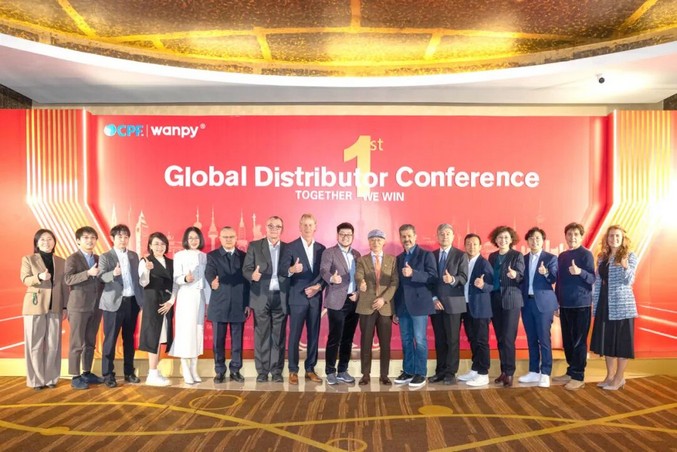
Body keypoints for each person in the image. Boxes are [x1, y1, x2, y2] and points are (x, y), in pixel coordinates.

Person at [20, 229, 69, 390]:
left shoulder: (61, 261)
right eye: (42, 239)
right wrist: (39, 277)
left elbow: (64, 286)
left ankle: (51, 379)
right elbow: (25, 279)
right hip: (35, 306)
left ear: (54, 242)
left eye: (49, 239)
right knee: (34, 344)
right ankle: (36, 380)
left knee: (53, 344)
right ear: (36, 243)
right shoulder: (28, 259)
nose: (46, 242)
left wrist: (65, 306)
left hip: (55, 306)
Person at [590, 225, 638, 391]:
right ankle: (610, 376)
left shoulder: (629, 256)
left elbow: (629, 280)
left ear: (623, 238)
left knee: (622, 343)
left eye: (617, 236)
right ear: (607, 238)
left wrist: (625, 267)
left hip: (622, 306)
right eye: (611, 236)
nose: (614, 239)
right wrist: (595, 305)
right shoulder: (602, 257)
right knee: (607, 341)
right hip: (604, 304)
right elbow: (598, 282)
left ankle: (619, 378)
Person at [281, 214, 326, 385]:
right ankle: (293, 370)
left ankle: (310, 369)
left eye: (310, 225)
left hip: (315, 298)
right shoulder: (290, 247)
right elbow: (282, 271)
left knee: (314, 334)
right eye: (304, 225)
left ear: (315, 227)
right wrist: (292, 269)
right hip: (297, 297)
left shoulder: (321, 249)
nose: (307, 228)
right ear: (299, 226)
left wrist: (318, 287)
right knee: (294, 335)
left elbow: (325, 273)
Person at [243, 216, 289, 383]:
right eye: (271, 226)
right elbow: (246, 269)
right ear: (265, 227)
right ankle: (262, 371)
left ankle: (276, 371)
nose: (274, 229)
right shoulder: (255, 246)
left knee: (278, 336)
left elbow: (291, 271)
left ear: (282, 229)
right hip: (261, 296)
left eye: (278, 226)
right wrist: (252, 275)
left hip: (281, 296)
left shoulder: (288, 248)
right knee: (262, 335)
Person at [98, 224, 145, 388]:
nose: (123, 240)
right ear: (112, 238)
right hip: (113, 303)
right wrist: (113, 274)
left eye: (126, 237)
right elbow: (100, 277)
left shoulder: (133, 256)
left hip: (132, 302)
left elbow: (138, 279)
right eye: (119, 237)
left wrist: (141, 301)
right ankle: (108, 374)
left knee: (129, 339)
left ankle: (129, 372)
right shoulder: (105, 256)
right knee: (110, 339)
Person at [393, 224, 437, 388]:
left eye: (409, 236)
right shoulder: (398, 258)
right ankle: (408, 371)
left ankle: (420, 373)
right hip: (402, 306)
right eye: (403, 236)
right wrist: (395, 309)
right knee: (406, 340)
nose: (407, 239)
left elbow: (433, 277)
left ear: (415, 236)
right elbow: (397, 285)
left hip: (419, 304)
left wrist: (414, 273)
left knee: (419, 340)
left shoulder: (426, 255)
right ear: (400, 238)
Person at [205, 226, 250, 384]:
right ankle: (219, 371)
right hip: (219, 304)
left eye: (231, 237)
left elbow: (248, 282)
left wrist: (247, 303)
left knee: (237, 341)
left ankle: (235, 370)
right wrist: (212, 282)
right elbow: (209, 272)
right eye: (225, 237)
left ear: (236, 238)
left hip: (239, 304)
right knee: (218, 341)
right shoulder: (212, 256)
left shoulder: (244, 256)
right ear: (220, 238)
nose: (229, 239)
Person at [355, 229, 399, 386]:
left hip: (385, 307)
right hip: (366, 306)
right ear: (369, 242)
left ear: (383, 242)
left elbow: (395, 282)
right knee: (366, 342)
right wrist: (360, 283)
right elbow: (358, 275)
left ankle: (384, 375)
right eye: (372, 240)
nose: (375, 242)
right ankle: (365, 375)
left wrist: (383, 299)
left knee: (385, 343)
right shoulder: (362, 260)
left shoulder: (392, 260)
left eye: (379, 240)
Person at [554, 222, 595, 390]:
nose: (572, 237)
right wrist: (556, 302)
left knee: (579, 342)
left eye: (576, 234)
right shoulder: (562, 256)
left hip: (581, 305)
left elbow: (592, 279)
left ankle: (578, 376)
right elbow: (559, 281)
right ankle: (571, 371)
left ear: (581, 236)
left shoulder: (586, 255)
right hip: (565, 305)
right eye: (569, 234)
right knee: (568, 342)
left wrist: (580, 272)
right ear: (565, 236)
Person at [319, 222, 361, 385]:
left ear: (353, 236)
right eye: (342, 234)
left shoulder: (357, 254)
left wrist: (358, 292)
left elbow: (360, 277)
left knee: (348, 338)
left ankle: (343, 370)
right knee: (334, 338)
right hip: (336, 301)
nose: (345, 237)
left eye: (348, 234)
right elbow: (323, 270)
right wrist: (331, 278)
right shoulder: (329, 252)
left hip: (353, 301)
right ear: (337, 236)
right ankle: (330, 371)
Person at [169, 226, 210, 385]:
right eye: (191, 238)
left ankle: (194, 368)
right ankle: (185, 368)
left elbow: (207, 281)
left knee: (197, 333)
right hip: (185, 297)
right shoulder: (179, 255)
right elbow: (176, 279)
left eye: (196, 238)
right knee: (185, 333)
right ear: (186, 239)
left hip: (200, 297)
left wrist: (208, 301)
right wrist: (185, 279)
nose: (194, 241)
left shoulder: (204, 257)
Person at [518, 227, 558, 388]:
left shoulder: (550, 258)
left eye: (538, 238)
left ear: (543, 241)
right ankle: (533, 371)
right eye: (531, 238)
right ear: (527, 241)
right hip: (526, 303)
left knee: (544, 339)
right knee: (531, 338)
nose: (534, 241)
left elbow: (554, 278)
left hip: (543, 304)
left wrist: (546, 272)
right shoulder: (523, 259)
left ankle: (545, 372)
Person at [64, 226, 104, 390]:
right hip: (78, 307)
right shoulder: (73, 258)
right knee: (77, 343)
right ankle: (75, 376)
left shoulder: (99, 258)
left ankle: (87, 372)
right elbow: (68, 279)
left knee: (90, 342)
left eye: (93, 237)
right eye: (86, 237)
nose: (90, 241)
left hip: (96, 306)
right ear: (78, 241)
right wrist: (88, 273)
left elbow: (102, 280)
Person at [429, 223, 468, 386]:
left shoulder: (461, 255)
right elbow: (429, 280)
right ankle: (440, 371)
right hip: (436, 304)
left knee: (452, 340)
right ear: (437, 236)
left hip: (454, 304)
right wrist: (433, 298)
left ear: (453, 237)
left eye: (448, 234)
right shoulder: (431, 255)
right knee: (439, 340)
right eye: (442, 234)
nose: (444, 236)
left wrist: (452, 279)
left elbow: (463, 277)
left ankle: (451, 373)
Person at [487, 225, 524, 387]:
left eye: (506, 238)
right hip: (495, 299)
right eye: (500, 237)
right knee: (500, 338)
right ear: (495, 240)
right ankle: (503, 371)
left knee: (508, 338)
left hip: (511, 300)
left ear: (511, 240)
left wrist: (515, 275)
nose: (503, 240)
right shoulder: (492, 256)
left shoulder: (517, 255)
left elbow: (521, 276)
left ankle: (509, 372)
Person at [138, 232, 174, 387]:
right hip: (153, 303)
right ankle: (152, 374)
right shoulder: (145, 261)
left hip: (166, 304)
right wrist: (147, 270)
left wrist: (171, 302)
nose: (160, 247)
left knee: (161, 336)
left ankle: (154, 371)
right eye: (156, 244)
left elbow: (175, 284)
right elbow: (143, 283)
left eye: (162, 244)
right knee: (153, 336)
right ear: (150, 246)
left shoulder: (171, 262)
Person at [459, 233, 494, 387]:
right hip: (466, 307)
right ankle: (475, 369)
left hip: (480, 308)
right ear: (464, 246)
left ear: (480, 247)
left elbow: (493, 286)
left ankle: (483, 373)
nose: (471, 247)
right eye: (468, 244)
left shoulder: (484, 264)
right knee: (472, 339)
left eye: (474, 244)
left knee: (481, 341)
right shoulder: (463, 262)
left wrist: (483, 285)